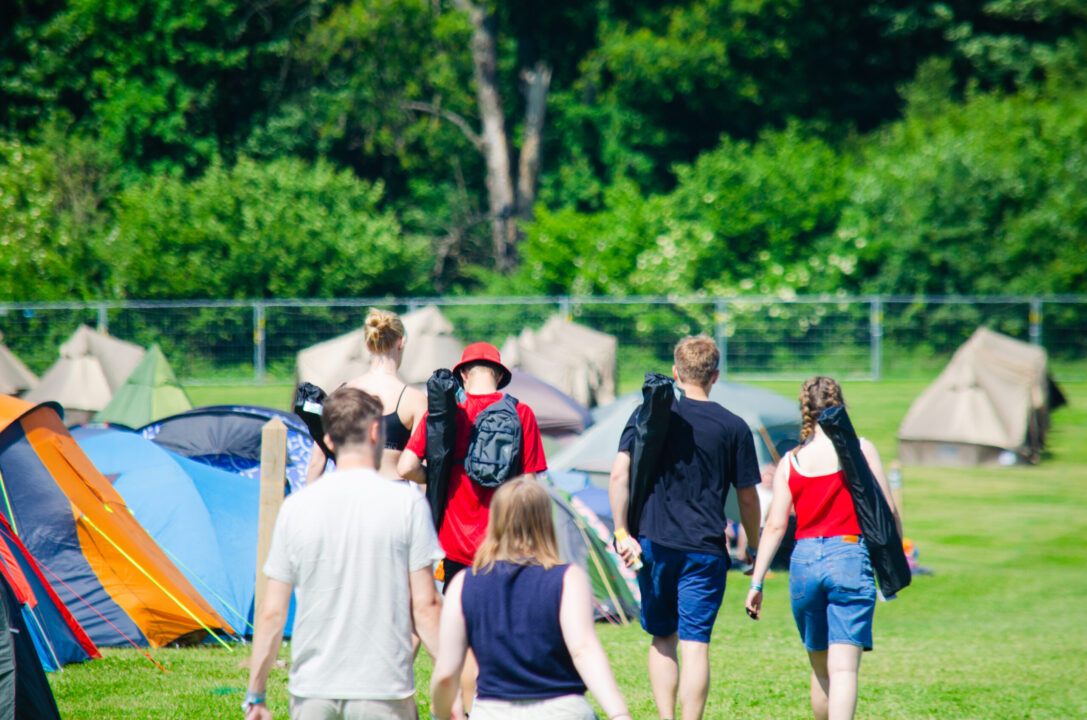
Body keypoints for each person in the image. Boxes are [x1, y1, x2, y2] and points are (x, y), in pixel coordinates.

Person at [244, 387, 444, 720]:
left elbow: (272, 611)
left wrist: (256, 693)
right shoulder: (406, 503)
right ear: (376, 432)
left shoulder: (297, 508)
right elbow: (425, 606)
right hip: (383, 687)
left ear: (329, 441)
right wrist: (452, 682)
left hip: (313, 688)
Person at [608, 335, 763, 720]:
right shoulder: (735, 427)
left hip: (654, 543)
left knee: (663, 638)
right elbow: (747, 498)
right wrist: (754, 548)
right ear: (716, 375)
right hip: (706, 547)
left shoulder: (649, 415)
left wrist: (622, 531)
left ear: (676, 372)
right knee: (696, 644)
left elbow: (618, 476)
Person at [398, 342, 547, 718]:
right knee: (502, 633)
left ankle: (465, 713)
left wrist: (437, 474)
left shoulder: (446, 413)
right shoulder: (521, 413)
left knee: (461, 638)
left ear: (463, 374)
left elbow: (404, 467)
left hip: (453, 547)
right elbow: (530, 483)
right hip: (505, 544)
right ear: (497, 374)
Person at [744, 376, 903, 720]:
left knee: (821, 670)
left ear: (805, 410)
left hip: (803, 563)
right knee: (844, 670)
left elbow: (774, 525)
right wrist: (894, 561)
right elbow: (887, 511)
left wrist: (756, 582)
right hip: (848, 555)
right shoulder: (860, 449)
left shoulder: (791, 460)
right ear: (840, 404)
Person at [430, 478, 632, 720]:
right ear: (547, 522)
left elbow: (445, 673)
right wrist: (619, 714)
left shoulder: (463, 583)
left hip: (493, 711)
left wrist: (442, 715)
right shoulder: (569, 578)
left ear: (495, 521)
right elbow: (584, 650)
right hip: (563, 710)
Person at [305, 308, 427, 483]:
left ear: (366, 345)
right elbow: (421, 464)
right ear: (401, 341)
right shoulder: (415, 400)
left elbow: (317, 461)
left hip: (348, 491)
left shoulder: (343, 391)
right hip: (392, 494)